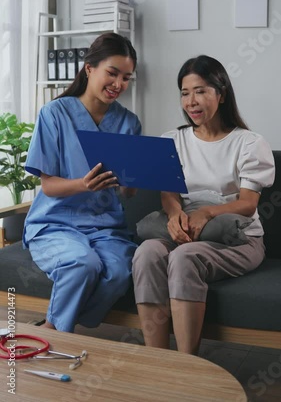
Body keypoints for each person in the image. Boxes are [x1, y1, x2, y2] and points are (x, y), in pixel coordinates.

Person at [132, 54, 275, 355]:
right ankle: (156, 359)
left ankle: (187, 366)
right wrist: (174, 215)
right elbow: (169, 194)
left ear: (221, 94)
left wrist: (206, 212)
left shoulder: (249, 143)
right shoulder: (173, 140)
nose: (191, 101)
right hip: (185, 231)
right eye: (185, 93)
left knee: (185, 258)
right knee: (146, 252)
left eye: (201, 91)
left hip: (239, 239)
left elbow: (248, 204)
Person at [23, 32, 141, 332]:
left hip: (106, 227)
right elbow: (48, 186)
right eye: (112, 73)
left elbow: (127, 193)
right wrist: (83, 185)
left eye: (126, 78)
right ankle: (56, 331)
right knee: (82, 263)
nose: (118, 85)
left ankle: (56, 325)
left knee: (117, 273)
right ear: (89, 68)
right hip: (56, 223)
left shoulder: (129, 122)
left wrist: (132, 180)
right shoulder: (54, 114)